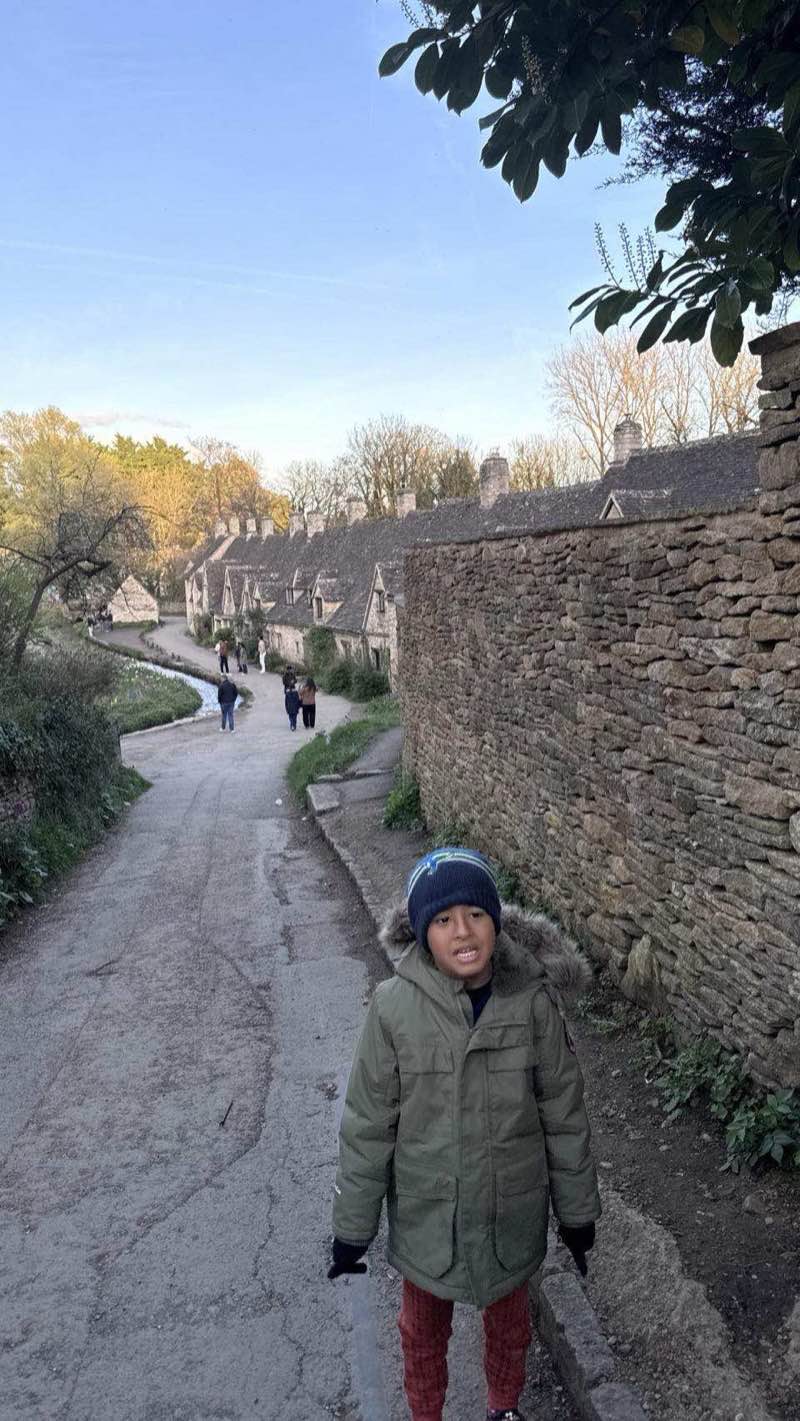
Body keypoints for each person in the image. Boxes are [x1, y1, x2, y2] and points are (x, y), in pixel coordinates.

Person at [329, 847, 600, 1421]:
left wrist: (577, 1214)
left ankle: (503, 1408)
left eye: (476, 915)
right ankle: (426, 1412)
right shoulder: (393, 1009)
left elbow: (564, 1113)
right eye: (444, 920)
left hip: (511, 1210)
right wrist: (353, 1229)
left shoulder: (531, 1004)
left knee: (509, 1326)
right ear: (422, 931)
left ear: (497, 922)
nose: (463, 932)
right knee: (421, 1329)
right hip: (430, 1217)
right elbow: (368, 1125)